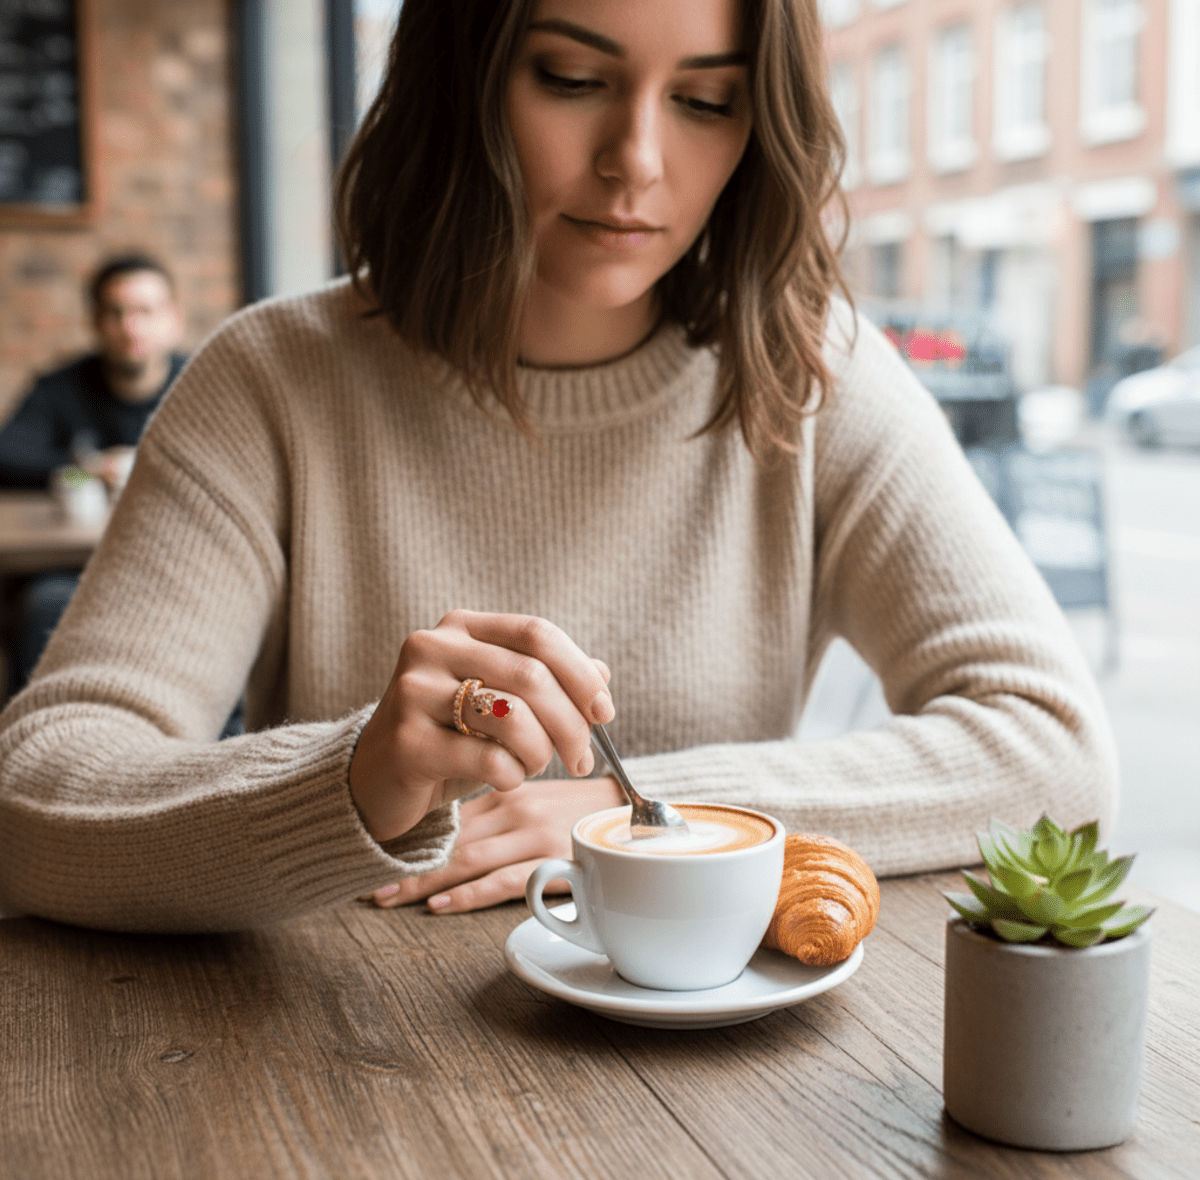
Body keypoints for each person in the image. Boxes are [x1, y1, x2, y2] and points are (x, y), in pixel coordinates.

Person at [0, 0, 1115, 933]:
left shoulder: (810, 378)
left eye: (706, 100)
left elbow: (1053, 756)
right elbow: (37, 790)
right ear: (466, 77)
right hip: (337, 1094)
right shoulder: (272, 382)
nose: (638, 159)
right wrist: (354, 781)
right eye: (574, 77)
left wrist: (642, 818)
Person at [0, 253, 185, 689]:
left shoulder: (202, 385)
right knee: (44, 604)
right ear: (96, 321)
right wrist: (89, 467)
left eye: (145, 311)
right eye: (116, 313)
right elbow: (7, 453)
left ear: (173, 319)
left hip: (177, 563)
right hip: (73, 567)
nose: (130, 327)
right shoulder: (62, 387)